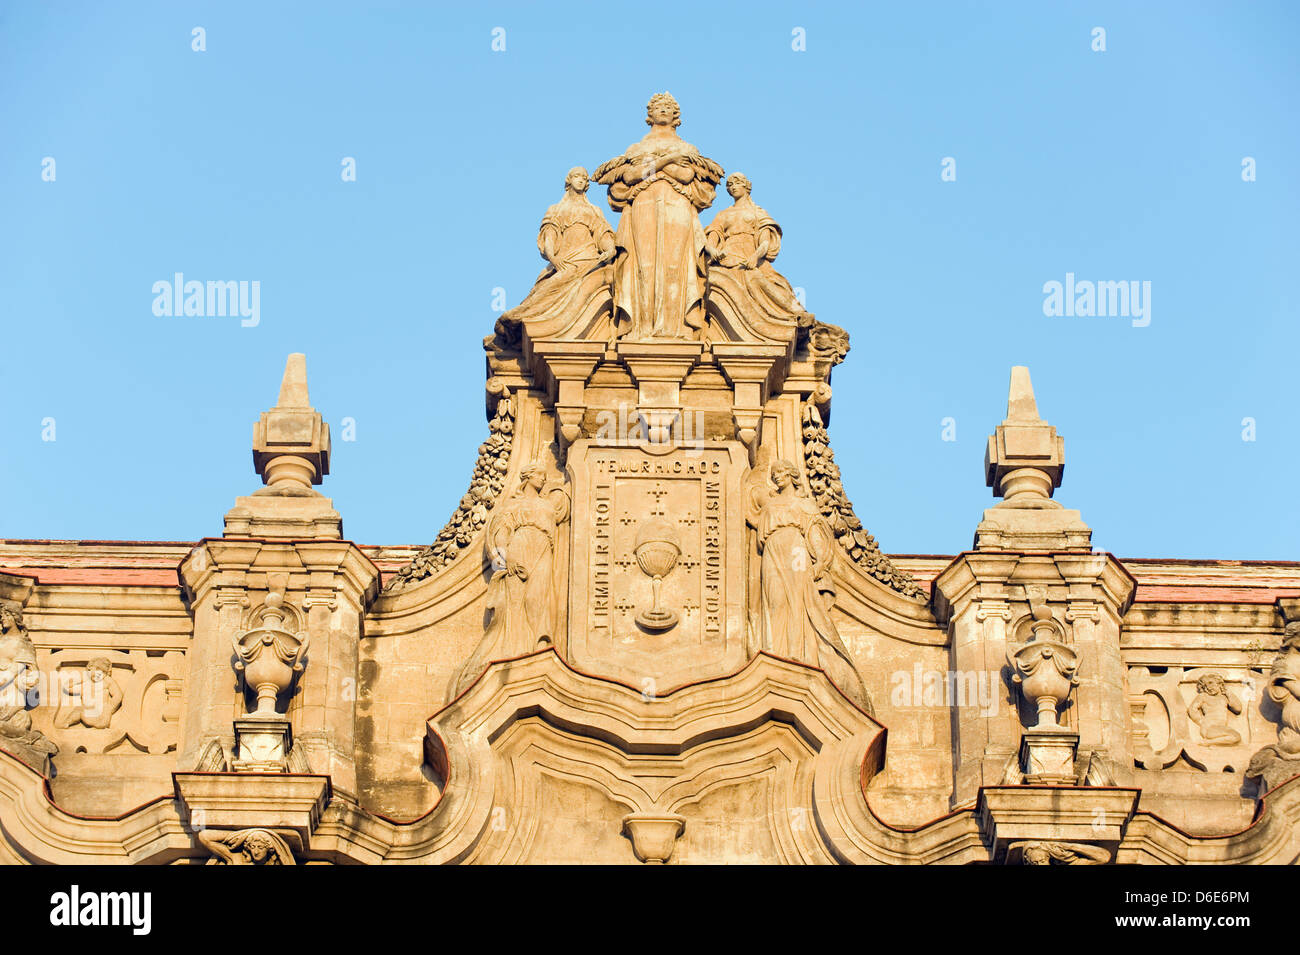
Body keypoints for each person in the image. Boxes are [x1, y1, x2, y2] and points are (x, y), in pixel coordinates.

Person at [594, 93, 723, 340]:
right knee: (644, 264)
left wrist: (653, 167)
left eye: (668, 107)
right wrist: (670, 161)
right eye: (658, 107)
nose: (663, 110)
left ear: (676, 116)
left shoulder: (687, 148)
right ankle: (642, 327)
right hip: (643, 205)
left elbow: (686, 177)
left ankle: (677, 328)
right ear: (649, 114)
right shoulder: (637, 148)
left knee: (675, 263)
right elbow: (631, 178)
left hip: (678, 207)